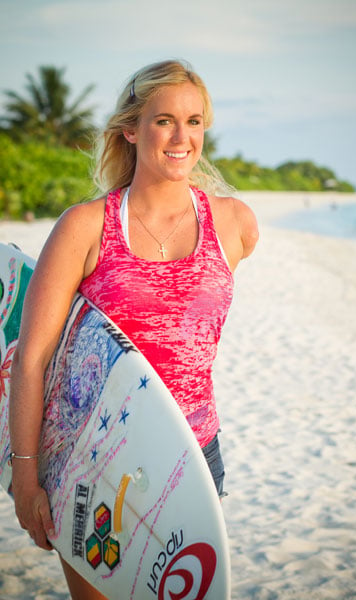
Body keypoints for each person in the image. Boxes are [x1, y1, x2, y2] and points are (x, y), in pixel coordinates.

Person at [9, 59, 258, 599]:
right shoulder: (86, 225)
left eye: (194, 122)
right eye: (164, 120)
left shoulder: (235, 224)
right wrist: (25, 476)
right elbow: (30, 358)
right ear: (131, 127)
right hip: (94, 458)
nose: (181, 137)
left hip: (192, 453)